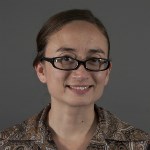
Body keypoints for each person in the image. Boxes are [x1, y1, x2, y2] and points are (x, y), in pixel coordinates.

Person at [0, 9, 149, 150]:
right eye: (66, 58)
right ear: (41, 70)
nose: (81, 74)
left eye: (94, 60)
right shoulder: (6, 143)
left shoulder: (141, 145)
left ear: (107, 72)